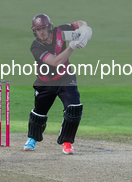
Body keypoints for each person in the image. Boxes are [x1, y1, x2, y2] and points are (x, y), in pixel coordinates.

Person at [24, 14, 92, 154]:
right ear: (34, 31)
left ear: (50, 27)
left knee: (74, 108)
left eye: (43, 28)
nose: (41, 32)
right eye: (38, 30)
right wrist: (73, 45)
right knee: (39, 113)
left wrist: (85, 29)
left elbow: (79, 22)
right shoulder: (36, 46)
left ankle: (67, 142)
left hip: (65, 77)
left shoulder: (61, 31)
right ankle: (32, 138)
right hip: (45, 82)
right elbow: (55, 62)